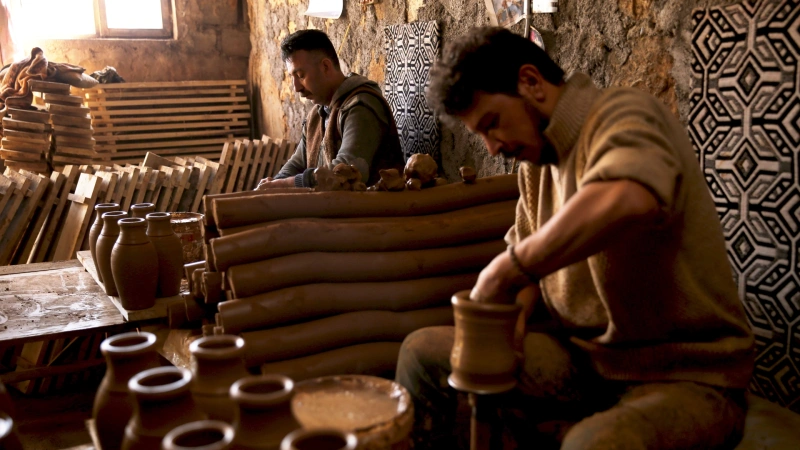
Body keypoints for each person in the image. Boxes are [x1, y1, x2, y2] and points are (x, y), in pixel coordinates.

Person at [395, 27, 754, 449]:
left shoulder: (625, 114)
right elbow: (527, 264)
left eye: (492, 124)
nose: (492, 149)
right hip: (589, 365)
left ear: (531, 82)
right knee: (422, 353)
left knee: (593, 443)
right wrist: (507, 323)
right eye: (482, 136)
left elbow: (628, 196)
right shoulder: (535, 165)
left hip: (690, 375)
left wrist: (508, 271)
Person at [256, 29, 403, 189]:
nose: (296, 88)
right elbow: (296, 165)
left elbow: (345, 173)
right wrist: (272, 186)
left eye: (300, 75)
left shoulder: (361, 106)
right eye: (293, 77)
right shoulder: (316, 115)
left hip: (372, 211)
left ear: (325, 66)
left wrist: (284, 185)